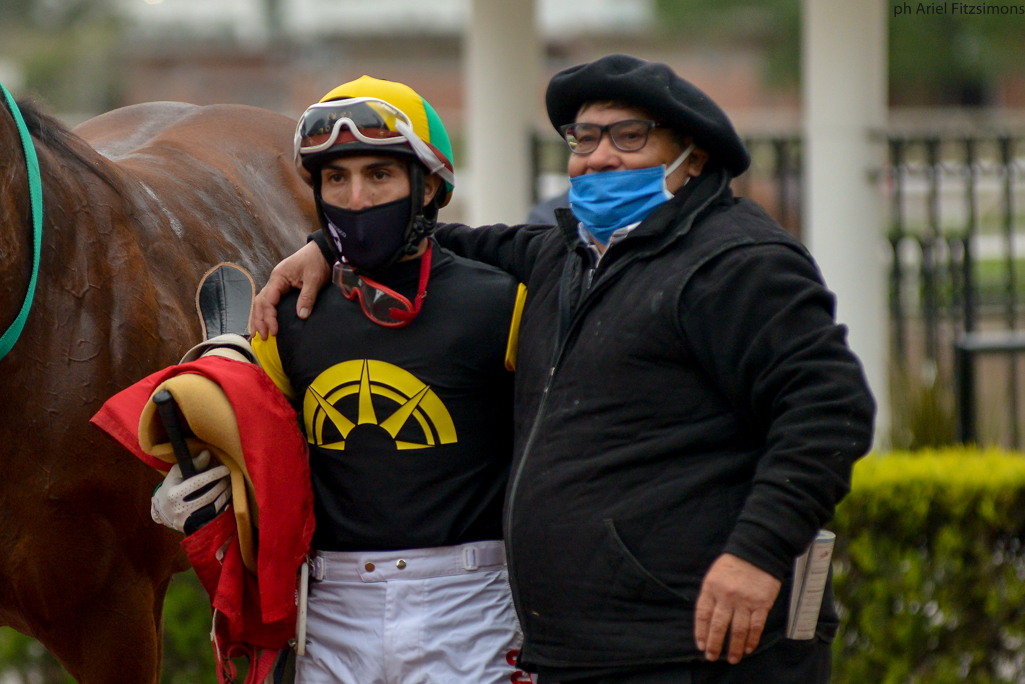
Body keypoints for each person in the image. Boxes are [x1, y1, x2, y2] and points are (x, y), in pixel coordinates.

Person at [251, 54, 875, 684]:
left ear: (694, 156)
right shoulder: (564, 256)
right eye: (584, 138)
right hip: (583, 652)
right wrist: (328, 246)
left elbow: (829, 408)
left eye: (629, 137)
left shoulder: (737, 259)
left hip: (703, 650)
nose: (600, 157)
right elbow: (426, 239)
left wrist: (757, 554)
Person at [151, 76, 528, 684]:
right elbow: (263, 458)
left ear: (429, 185)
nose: (355, 198)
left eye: (379, 175)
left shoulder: (504, 303)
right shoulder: (285, 315)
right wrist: (212, 493)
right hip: (327, 613)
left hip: (474, 607)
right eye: (336, 178)